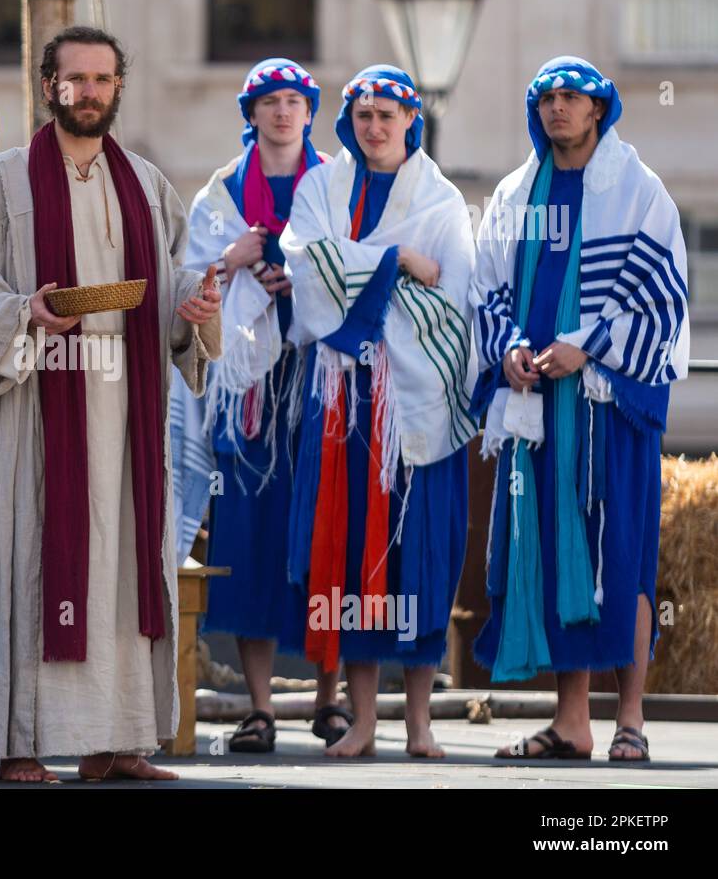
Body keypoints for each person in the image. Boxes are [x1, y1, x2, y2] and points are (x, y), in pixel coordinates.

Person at [0, 26, 222, 782]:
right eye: (73, 79)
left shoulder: (149, 185)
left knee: (119, 572)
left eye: (101, 79)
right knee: (25, 565)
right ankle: (19, 742)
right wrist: (24, 309)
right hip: (30, 413)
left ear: (118, 87)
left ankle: (115, 740)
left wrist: (195, 303)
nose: (88, 92)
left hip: (123, 418)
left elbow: (172, 284)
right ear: (49, 85)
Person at [471, 57, 690, 763]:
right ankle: (571, 721)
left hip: (607, 405)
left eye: (572, 98)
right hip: (535, 404)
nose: (557, 108)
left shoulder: (638, 191)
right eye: (546, 98)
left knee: (619, 554)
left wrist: (586, 347)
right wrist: (507, 345)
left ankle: (630, 716)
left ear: (600, 109)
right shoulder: (514, 193)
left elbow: (663, 296)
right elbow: (487, 287)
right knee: (554, 550)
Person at [281, 65, 476, 758]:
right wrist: (394, 260)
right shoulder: (319, 188)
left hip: (415, 404)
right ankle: (363, 722)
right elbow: (307, 265)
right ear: (349, 121)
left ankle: (419, 721)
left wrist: (374, 274)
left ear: (410, 119)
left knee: (417, 559)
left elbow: (454, 306)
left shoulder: (444, 200)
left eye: (387, 115)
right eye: (363, 114)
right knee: (352, 557)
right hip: (345, 406)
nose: (374, 126)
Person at [172, 57, 350, 752]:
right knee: (247, 536)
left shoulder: (336, 182)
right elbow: (188, 279)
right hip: (245, 393)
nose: (282, 112)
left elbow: (353, 263)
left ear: (309, 113)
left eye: (294, 101)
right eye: (269, 101)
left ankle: (331, 699)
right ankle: (260, 704)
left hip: (319, 378)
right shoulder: (220, 194)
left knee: (325, 527)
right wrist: (236, 260)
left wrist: (299, 282)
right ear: (251, 113)